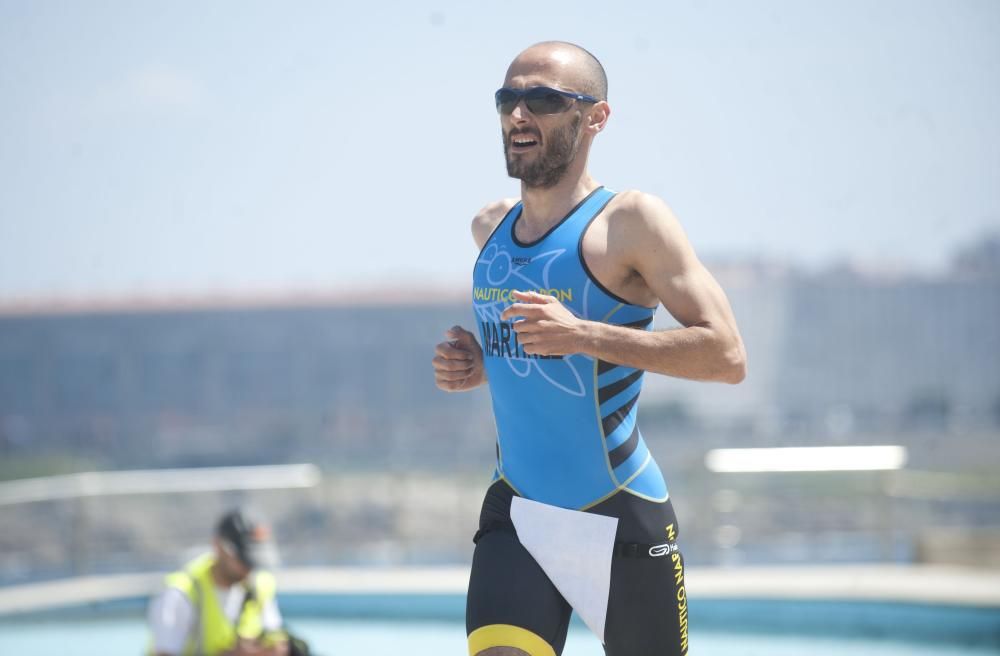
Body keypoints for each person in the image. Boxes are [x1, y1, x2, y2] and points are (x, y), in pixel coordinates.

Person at [432, 41, 746, 656]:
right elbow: (539, 362)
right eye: (509, 100)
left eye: (544, 100)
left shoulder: (631, 223)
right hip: (516, 510)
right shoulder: (489, 230)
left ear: (595, 117)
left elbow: (727, 355)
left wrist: (584, 334)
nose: (519, 116)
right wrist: (484, 364)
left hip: (618, 513)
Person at [147, 509, 289, 656]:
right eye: (243, 559)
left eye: (255, 561)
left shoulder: (260, 586)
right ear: (218, 546)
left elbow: (275, 634)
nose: (249, 568)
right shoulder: (179, 594)